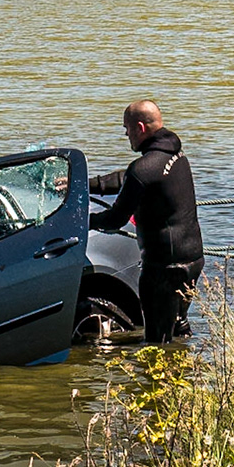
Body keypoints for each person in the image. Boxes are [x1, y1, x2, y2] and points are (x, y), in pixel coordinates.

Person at [88, 100, 204, 342]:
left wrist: (85, 221)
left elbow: (115, 219)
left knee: (157, 342)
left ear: (140, 128)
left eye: (127, 129)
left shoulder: (144, 169)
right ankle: (188, 371)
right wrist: (86, 185)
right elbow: (130, 178)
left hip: (164, 270)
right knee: (177, 327)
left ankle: (159, 379)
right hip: (192, 260)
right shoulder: (174, 154)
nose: (126, 134)